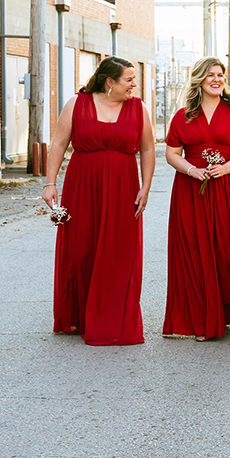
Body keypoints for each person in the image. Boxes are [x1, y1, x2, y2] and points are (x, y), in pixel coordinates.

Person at [42, 56, 155, 346]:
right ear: (109, 82)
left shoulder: (138, 108)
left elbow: (147, 149)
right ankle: (79, 316)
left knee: (120, 252)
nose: (134, 84)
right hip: (83, 185)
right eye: (129, 79)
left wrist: (146, 186)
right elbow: (58, 143)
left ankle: (113, 320)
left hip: (123, 187)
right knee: (82, 249)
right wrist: (50, 183)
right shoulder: (77, 104)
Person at [162, 57, 230, 341]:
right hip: (190, 190)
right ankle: (200, 317)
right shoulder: (183, 115)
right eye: (211, 75)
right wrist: (192, 170)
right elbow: (172, 154)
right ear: (199, 79)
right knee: (193, 249)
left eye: (221, 75)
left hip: (225, 189)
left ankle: (228, 313)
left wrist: (223, 168)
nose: (217, 79)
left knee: (224, 248)